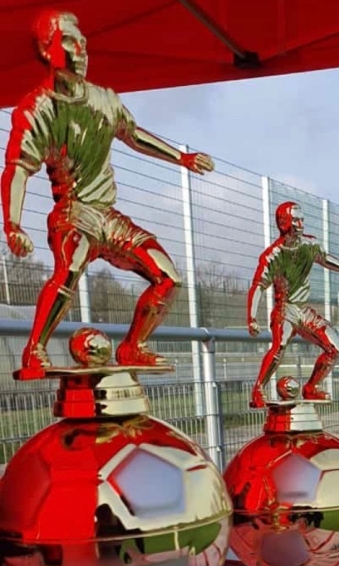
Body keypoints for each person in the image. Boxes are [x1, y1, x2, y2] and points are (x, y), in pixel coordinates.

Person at [2, 10, 215, 379]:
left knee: (168, 277)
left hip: (109, 216)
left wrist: (182, 157)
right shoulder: (38, 109)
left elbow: (133, 134)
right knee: (70, 268)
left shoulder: (104, 99)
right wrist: (13, 224)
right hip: (73, 212)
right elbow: (18, 168)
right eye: (70, 41)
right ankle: (35, 349)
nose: (81, 50)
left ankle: (134, 345)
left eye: (83, 42)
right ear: (46, 49)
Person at [247, 201, 339, 408]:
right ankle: (258, 389)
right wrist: (251, 317)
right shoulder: (273, 255)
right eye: (295, 220)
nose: (300, 224)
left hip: (304, 310)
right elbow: (258, 286)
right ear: (284, 223)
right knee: (280, 346)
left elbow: (325, 259)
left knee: (335, 348)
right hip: (285, 309)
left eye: (302, 220)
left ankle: (311, 387)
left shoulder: (310, 244)